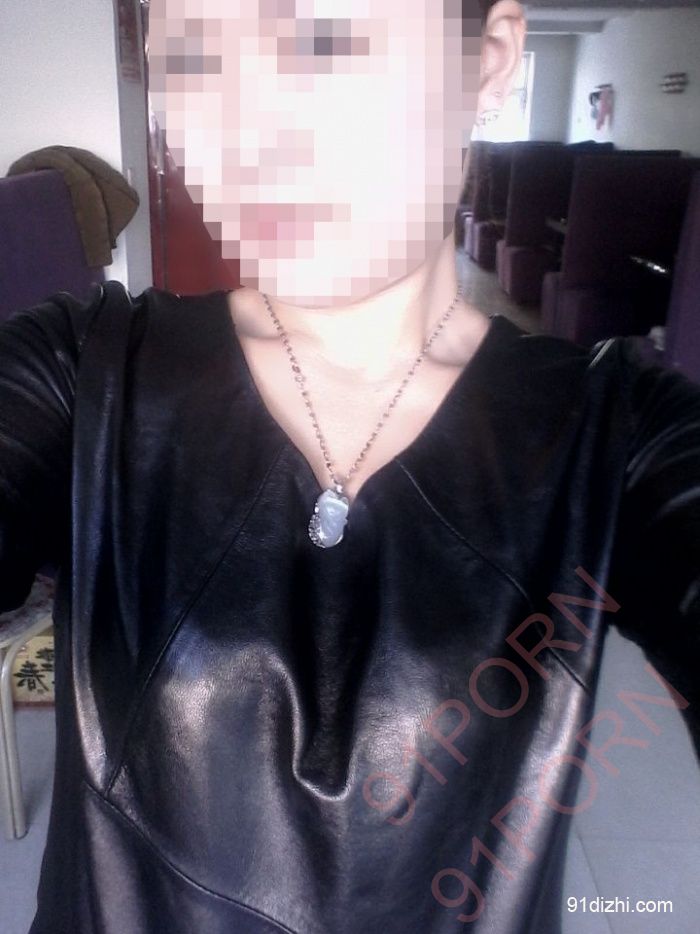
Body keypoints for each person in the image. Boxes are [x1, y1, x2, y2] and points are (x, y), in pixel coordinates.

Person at [0, 2, 698, 933]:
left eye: (322, 35)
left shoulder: (621, 430)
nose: (251, 124)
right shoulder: (80, 374)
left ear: (488, 59)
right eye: (196, 59)